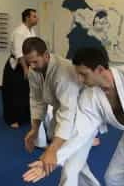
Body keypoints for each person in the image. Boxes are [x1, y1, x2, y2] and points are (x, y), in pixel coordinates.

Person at [23, 47, 124, 186]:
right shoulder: (90, 98)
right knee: (114, 178)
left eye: (83, 74)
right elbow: (80, 134)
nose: (79, 79)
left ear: (100, 70)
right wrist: (53, 157)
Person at [23, 37, 100, 186]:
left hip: (84, 116)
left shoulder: (63, 72)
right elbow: (37, 100)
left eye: (35, 61)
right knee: (78, 164)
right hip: (65, 112)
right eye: (28, 62)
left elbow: (68, 112)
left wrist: (52, 149)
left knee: (70, 169)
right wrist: (34, 129)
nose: (31, 66)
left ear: (46, 55)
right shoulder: (34, 71)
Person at [2, 8, 37, 129]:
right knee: (15, 93)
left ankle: (25, 116)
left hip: (28, 64)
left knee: (26, 91)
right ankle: (12, 119)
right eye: (34, 16)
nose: (36, 18)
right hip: (16, 67)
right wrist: (25, 69)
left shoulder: (31, 30)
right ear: (27, 18)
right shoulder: (19, 32)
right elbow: (19, 53)